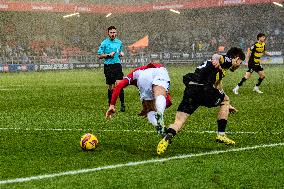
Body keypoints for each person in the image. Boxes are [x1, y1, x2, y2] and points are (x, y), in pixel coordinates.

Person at [157, 47, 245, 155]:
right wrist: (216, 59)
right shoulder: (227, 60)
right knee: (226, 99)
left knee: (179, 122)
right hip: (203, 89)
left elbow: (218, 85)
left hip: (191, 89)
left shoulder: (222, 69)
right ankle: (221, 135)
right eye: (240, 62)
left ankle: (167, 136)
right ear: (236, 58)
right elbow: (217, 56)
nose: (239, 66)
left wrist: (226, 104)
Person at [106, 63, 172, 135]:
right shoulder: (147, 69)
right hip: (160, 71)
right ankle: (160, 114)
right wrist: (159, 106)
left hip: (143, 76)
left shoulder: (134, 73)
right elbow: (168, 101)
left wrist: (112, 105)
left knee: (149, 110)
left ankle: (158, 126)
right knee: (160, 94)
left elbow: (119, 86)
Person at [97, 26, 125, 112]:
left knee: (119, 85)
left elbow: (120, 51)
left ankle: (122, 105)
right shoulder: (104, 43)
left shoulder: (119, 42)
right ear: (108, 33)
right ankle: (111, 105)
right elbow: (99, 55)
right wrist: (108, 55)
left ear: (116, 33)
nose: (113, 34)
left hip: (117, 65)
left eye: (114, 32)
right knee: (111, 87)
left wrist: (121, 53)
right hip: (108, 66)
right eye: (111, 33)